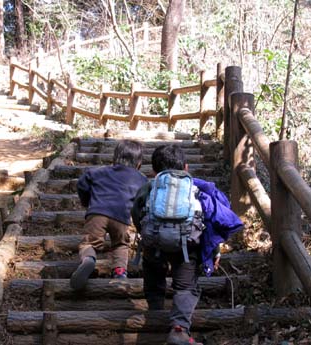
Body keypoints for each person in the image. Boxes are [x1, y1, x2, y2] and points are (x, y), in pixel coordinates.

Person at [131, 144, 243, 345]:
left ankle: (156, 311)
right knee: (186, 287)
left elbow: (136, 212)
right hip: (187, 245)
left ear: (154, 170)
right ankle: (179, 329)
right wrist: (213, 250)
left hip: (154, 243)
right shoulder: (196, 188)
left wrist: (147, 235)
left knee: (153, 272)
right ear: (186, 167)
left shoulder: (150, 187)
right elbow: (211, 222)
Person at [70, 139, 147, 291]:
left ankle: (88, 260)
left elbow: (82, 183)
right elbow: (142, 200)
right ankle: (119, 274)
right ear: (138, 163)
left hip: (97, 212)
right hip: (122, 217)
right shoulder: (141, 178)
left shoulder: (98, 172)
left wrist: (87, 202)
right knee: (120, 245)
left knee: (89, 243)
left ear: (115, 157)